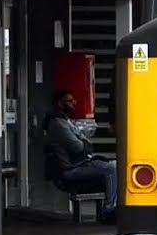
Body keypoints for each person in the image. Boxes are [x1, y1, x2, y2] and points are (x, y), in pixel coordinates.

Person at [45, 89, 118, 223]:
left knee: (116, 165)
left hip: (81, 163)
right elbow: (78, 147)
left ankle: (113, 205)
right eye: (69, 101)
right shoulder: (58, 125)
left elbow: (86, 144)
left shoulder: (68, 122)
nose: (74, 103)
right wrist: (84, 144)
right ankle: (110, 209)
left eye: (73, 100)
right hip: (71, 168)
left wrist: (85, 144)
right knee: (111, 169)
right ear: (59, 104)